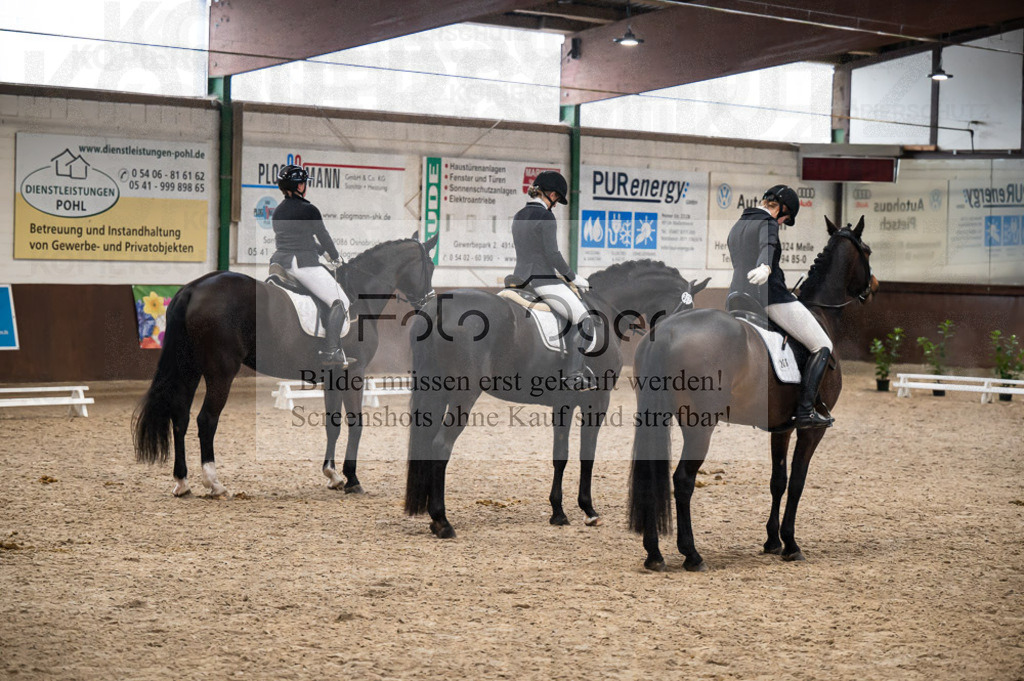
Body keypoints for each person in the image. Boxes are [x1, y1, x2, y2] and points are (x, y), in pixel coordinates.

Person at [727, 184, 833, 429]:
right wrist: (766, 266)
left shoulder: (739, 224)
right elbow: (768, 245)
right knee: (822, 345)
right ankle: (806, 410)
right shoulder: (769, 223)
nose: (783, 222)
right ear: (782, 208)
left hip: (736, 295)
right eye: (786, 217)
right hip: (769, 297)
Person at [511, 170, 595, 392]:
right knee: (585, 320)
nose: (556, 204)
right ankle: (574, 375)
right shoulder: (546, 217)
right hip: (542, 281)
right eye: (557, 199)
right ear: (551, 194)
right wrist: (573, 277)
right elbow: (552, 255)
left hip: (519, 278)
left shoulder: (518, 215)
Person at [270, 164, 353, 368]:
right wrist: (335, 257)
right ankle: (331, 350)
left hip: (280, 262)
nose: (305, 186)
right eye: (303, 183)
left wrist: (323, 253)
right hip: (302, 264)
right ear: (299, 186)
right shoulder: (309, 209)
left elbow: (301, 237)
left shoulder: (278, 211)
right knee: (340, 300)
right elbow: (323, 235)